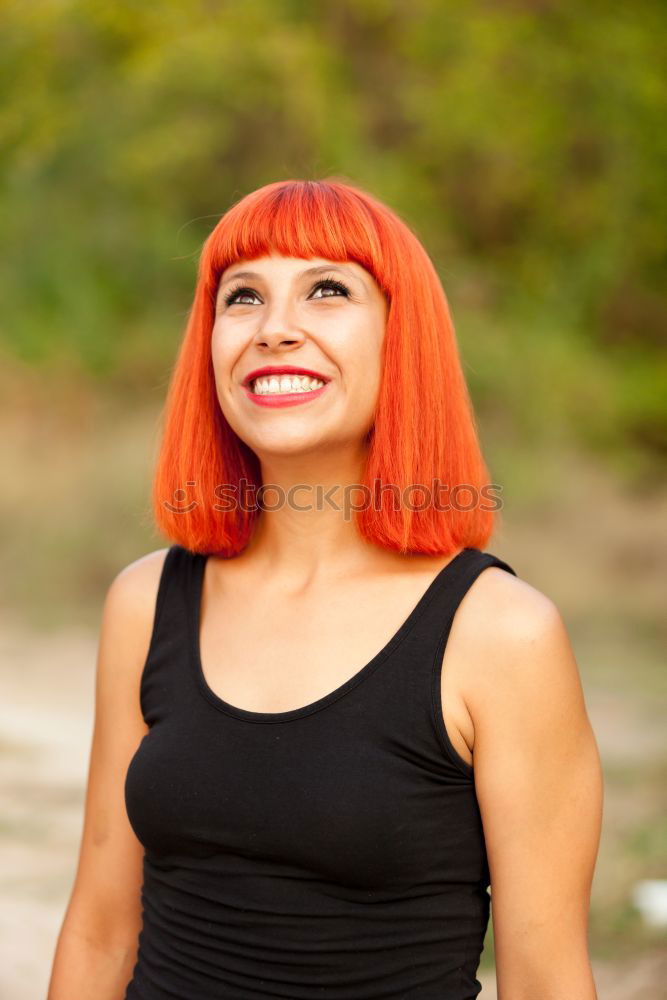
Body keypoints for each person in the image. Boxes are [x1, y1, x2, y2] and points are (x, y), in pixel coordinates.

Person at [48, 178, 603, 1000]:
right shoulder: (146, 601)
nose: (275, 329)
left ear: (399, 339)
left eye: (328, 291)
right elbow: (99, 931)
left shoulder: (500, 634)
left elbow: (546, 980)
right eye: (243, 298)